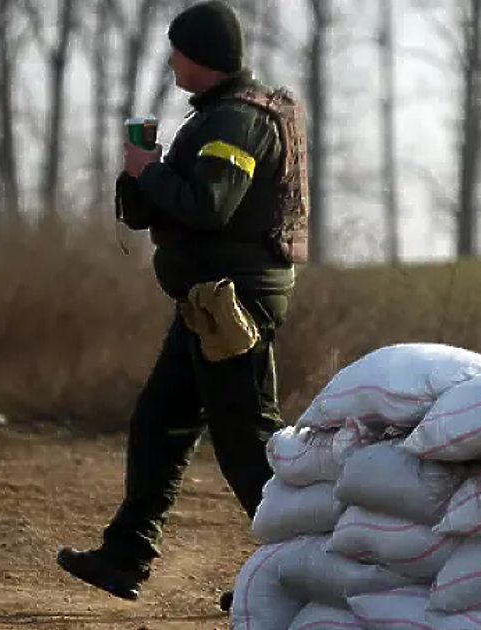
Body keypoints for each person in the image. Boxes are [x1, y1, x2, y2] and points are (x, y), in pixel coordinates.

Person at [57, 0, 310, 611]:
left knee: (245, 441)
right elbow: (158, 210)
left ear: (201, 55)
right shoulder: (215, 117)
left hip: (232, 303)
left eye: (177, 50)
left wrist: (152, 173)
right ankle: (125, 555)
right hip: (206, 303)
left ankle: (303, 572)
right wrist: (137, 174)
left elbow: (210, 206)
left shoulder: (238, 123)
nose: (171, 61)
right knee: (159, 423)